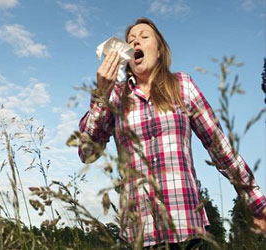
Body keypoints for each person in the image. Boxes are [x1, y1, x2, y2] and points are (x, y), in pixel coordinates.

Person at [78, 17, 266, 249]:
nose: (135, 42)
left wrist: (256, 202)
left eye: (144, 37)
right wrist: (101, 95)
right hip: (137, 235)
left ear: (159, 51)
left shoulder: (182, 86)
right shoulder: (116, 96)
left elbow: (220, 148)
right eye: (130, 40)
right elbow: (86, 152)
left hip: (186, 229)